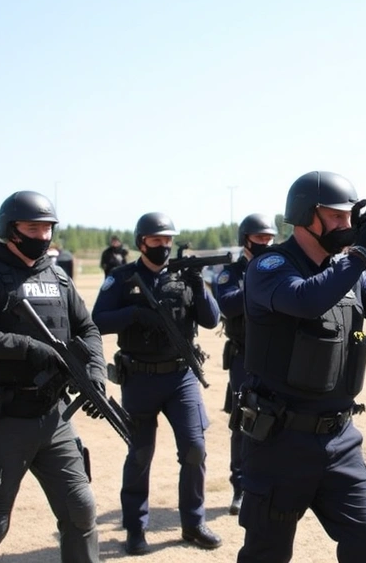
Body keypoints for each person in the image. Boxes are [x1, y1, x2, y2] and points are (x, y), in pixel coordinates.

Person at [237, 170, 366, 562]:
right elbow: (305, 300)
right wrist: (360, 255)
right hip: (280, 441)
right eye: (336, 216)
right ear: (306, 216)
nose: (346, 225)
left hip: (340, 440)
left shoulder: (345, 271)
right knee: (267, 553)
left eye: (349, 217)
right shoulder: (270, 268)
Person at [0, 191, 104, 563]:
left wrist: (94, 369)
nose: (43, 236)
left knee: (80, 509)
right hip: (3, 417)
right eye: (33, 228)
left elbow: (87, 328)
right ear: (10, 230)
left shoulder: (57, 276)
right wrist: (27, 347)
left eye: (48, 229)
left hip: (54, 417)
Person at [91, 212, 223, 555]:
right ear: (141, 243)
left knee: (194, 449)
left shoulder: (184, 277)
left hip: (181, 378)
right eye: (156, 240)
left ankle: (193, 523)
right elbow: (98, 320)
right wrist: (134, 314)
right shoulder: (121, 279)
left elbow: (211, 320)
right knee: (139, 455)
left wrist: (198, 285)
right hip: (139, 378)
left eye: (168, 240)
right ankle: (135, 529)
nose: (163, 246)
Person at [212, 213, 277, 516]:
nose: (265, 243)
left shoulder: (277, 266)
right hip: (244, 357)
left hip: (276, 355)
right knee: (244, 421)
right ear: (245, 240)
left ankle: (272, 481)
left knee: (279, 418)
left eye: (269, 238)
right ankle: (239, 486)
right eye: (259, 238)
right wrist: (259, 281)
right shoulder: (230, 273)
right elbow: (228, 304)